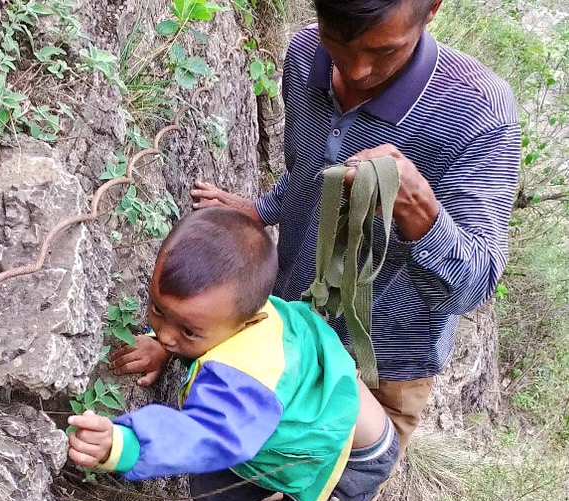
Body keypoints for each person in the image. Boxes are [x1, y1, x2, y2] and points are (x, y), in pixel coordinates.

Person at [187, 0, 520, 450]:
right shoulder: (306, 54)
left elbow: (473, 288)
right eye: (339, 41)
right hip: (288, 325)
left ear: (433, 8)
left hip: (380, 368)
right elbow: (308, 167)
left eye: (385, 50)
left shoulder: (478, 113)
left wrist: (422, 215)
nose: (358, 70)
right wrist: (262, 210)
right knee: (249, 466)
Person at [68, 208, 398, 501]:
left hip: (347, 462)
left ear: (243, 322)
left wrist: (126, 445)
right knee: (211, 494)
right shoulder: (235, 314)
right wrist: (168, 346)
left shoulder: (250, 376)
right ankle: (276, 481)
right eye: (158, 311)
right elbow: (189, 329)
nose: (166, 334)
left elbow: (213, 434)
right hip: (301, 427)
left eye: (187, 331)